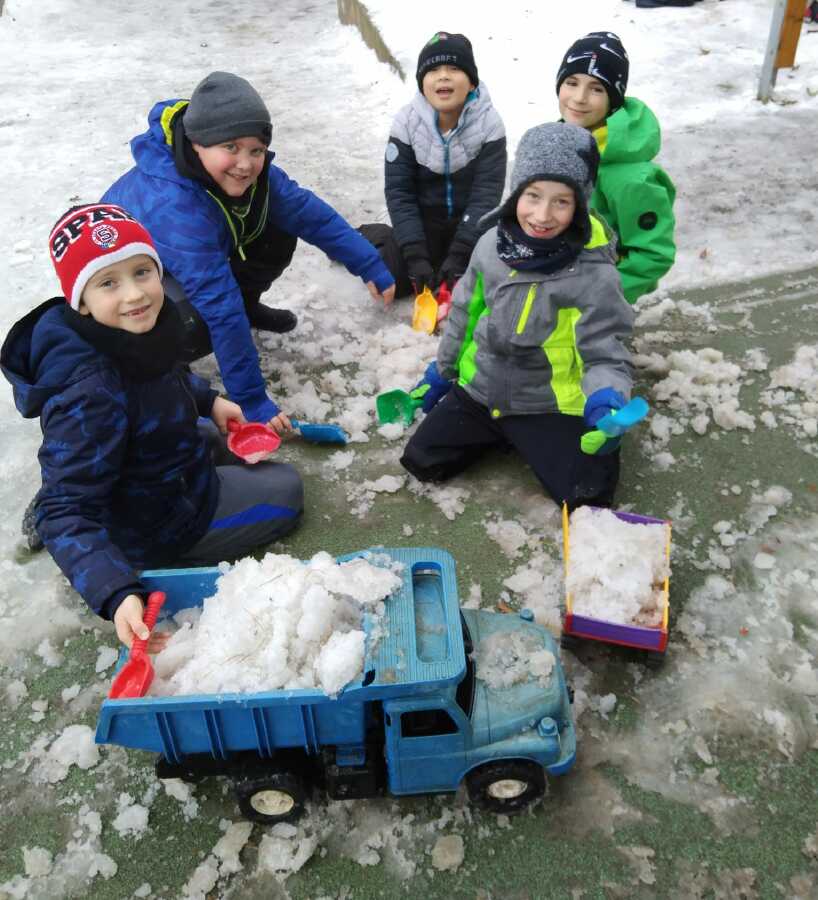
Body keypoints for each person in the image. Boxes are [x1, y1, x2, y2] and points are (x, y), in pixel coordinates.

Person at [1, 204, 304, 648]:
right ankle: (128, 558)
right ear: (80, 300)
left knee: (210, 436)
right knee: (287, 488)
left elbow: (164, 376)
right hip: (156, 526)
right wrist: (115, 591)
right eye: (108, 282)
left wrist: (209, 401)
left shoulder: (129, 330)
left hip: (153, 464)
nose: (134, 295)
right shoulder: (90, 394)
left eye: (142, 272)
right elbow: (64, 512)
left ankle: (75, 491)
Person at [103, 71, 395, 432]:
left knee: (278, 228)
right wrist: (252, 399)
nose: (245, 164)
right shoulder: (173, 203)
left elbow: (311, 215)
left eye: (256, 150)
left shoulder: (255, 177)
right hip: (126, 297)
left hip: (182, 266)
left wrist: (369, 263)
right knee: (198, 320)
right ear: (197, 143)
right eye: (230, 147)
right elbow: (220, 305)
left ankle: (249, 306)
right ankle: (166, 371)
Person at [400, 123, 635, 511]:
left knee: (587, 498)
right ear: (516, 194)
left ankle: (543, 437)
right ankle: (504, 433)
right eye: (533, 196)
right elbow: (464, 313)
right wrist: (441, 373)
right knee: (422, 461)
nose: (542, 215)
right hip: (483, 390)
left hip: (546, 403)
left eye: (561, 202)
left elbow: (605, 353)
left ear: (580, 205)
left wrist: (605, 399)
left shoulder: (594, 275)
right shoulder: (489, 246)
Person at [361, 31, 506, 298]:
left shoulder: (490, 125)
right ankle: (370, 235)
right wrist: (415, 255)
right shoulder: (406, 123)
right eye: (434, 70)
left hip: (469, 226)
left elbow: (486, 195)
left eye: (454, 68)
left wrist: (461, 253)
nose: (443, 76)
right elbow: (399, 192)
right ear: (422, 84)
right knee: (394, 279)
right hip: (422, 225)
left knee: (487, 284)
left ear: (471, 83)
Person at [555, 32, 676, 303]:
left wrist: (602, 298)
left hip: (594, 303)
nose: (579, 98)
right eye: (571, 83)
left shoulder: (631, 178)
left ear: (614, 99)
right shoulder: (556, 143)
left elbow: (653, 254)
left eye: (597, 89)